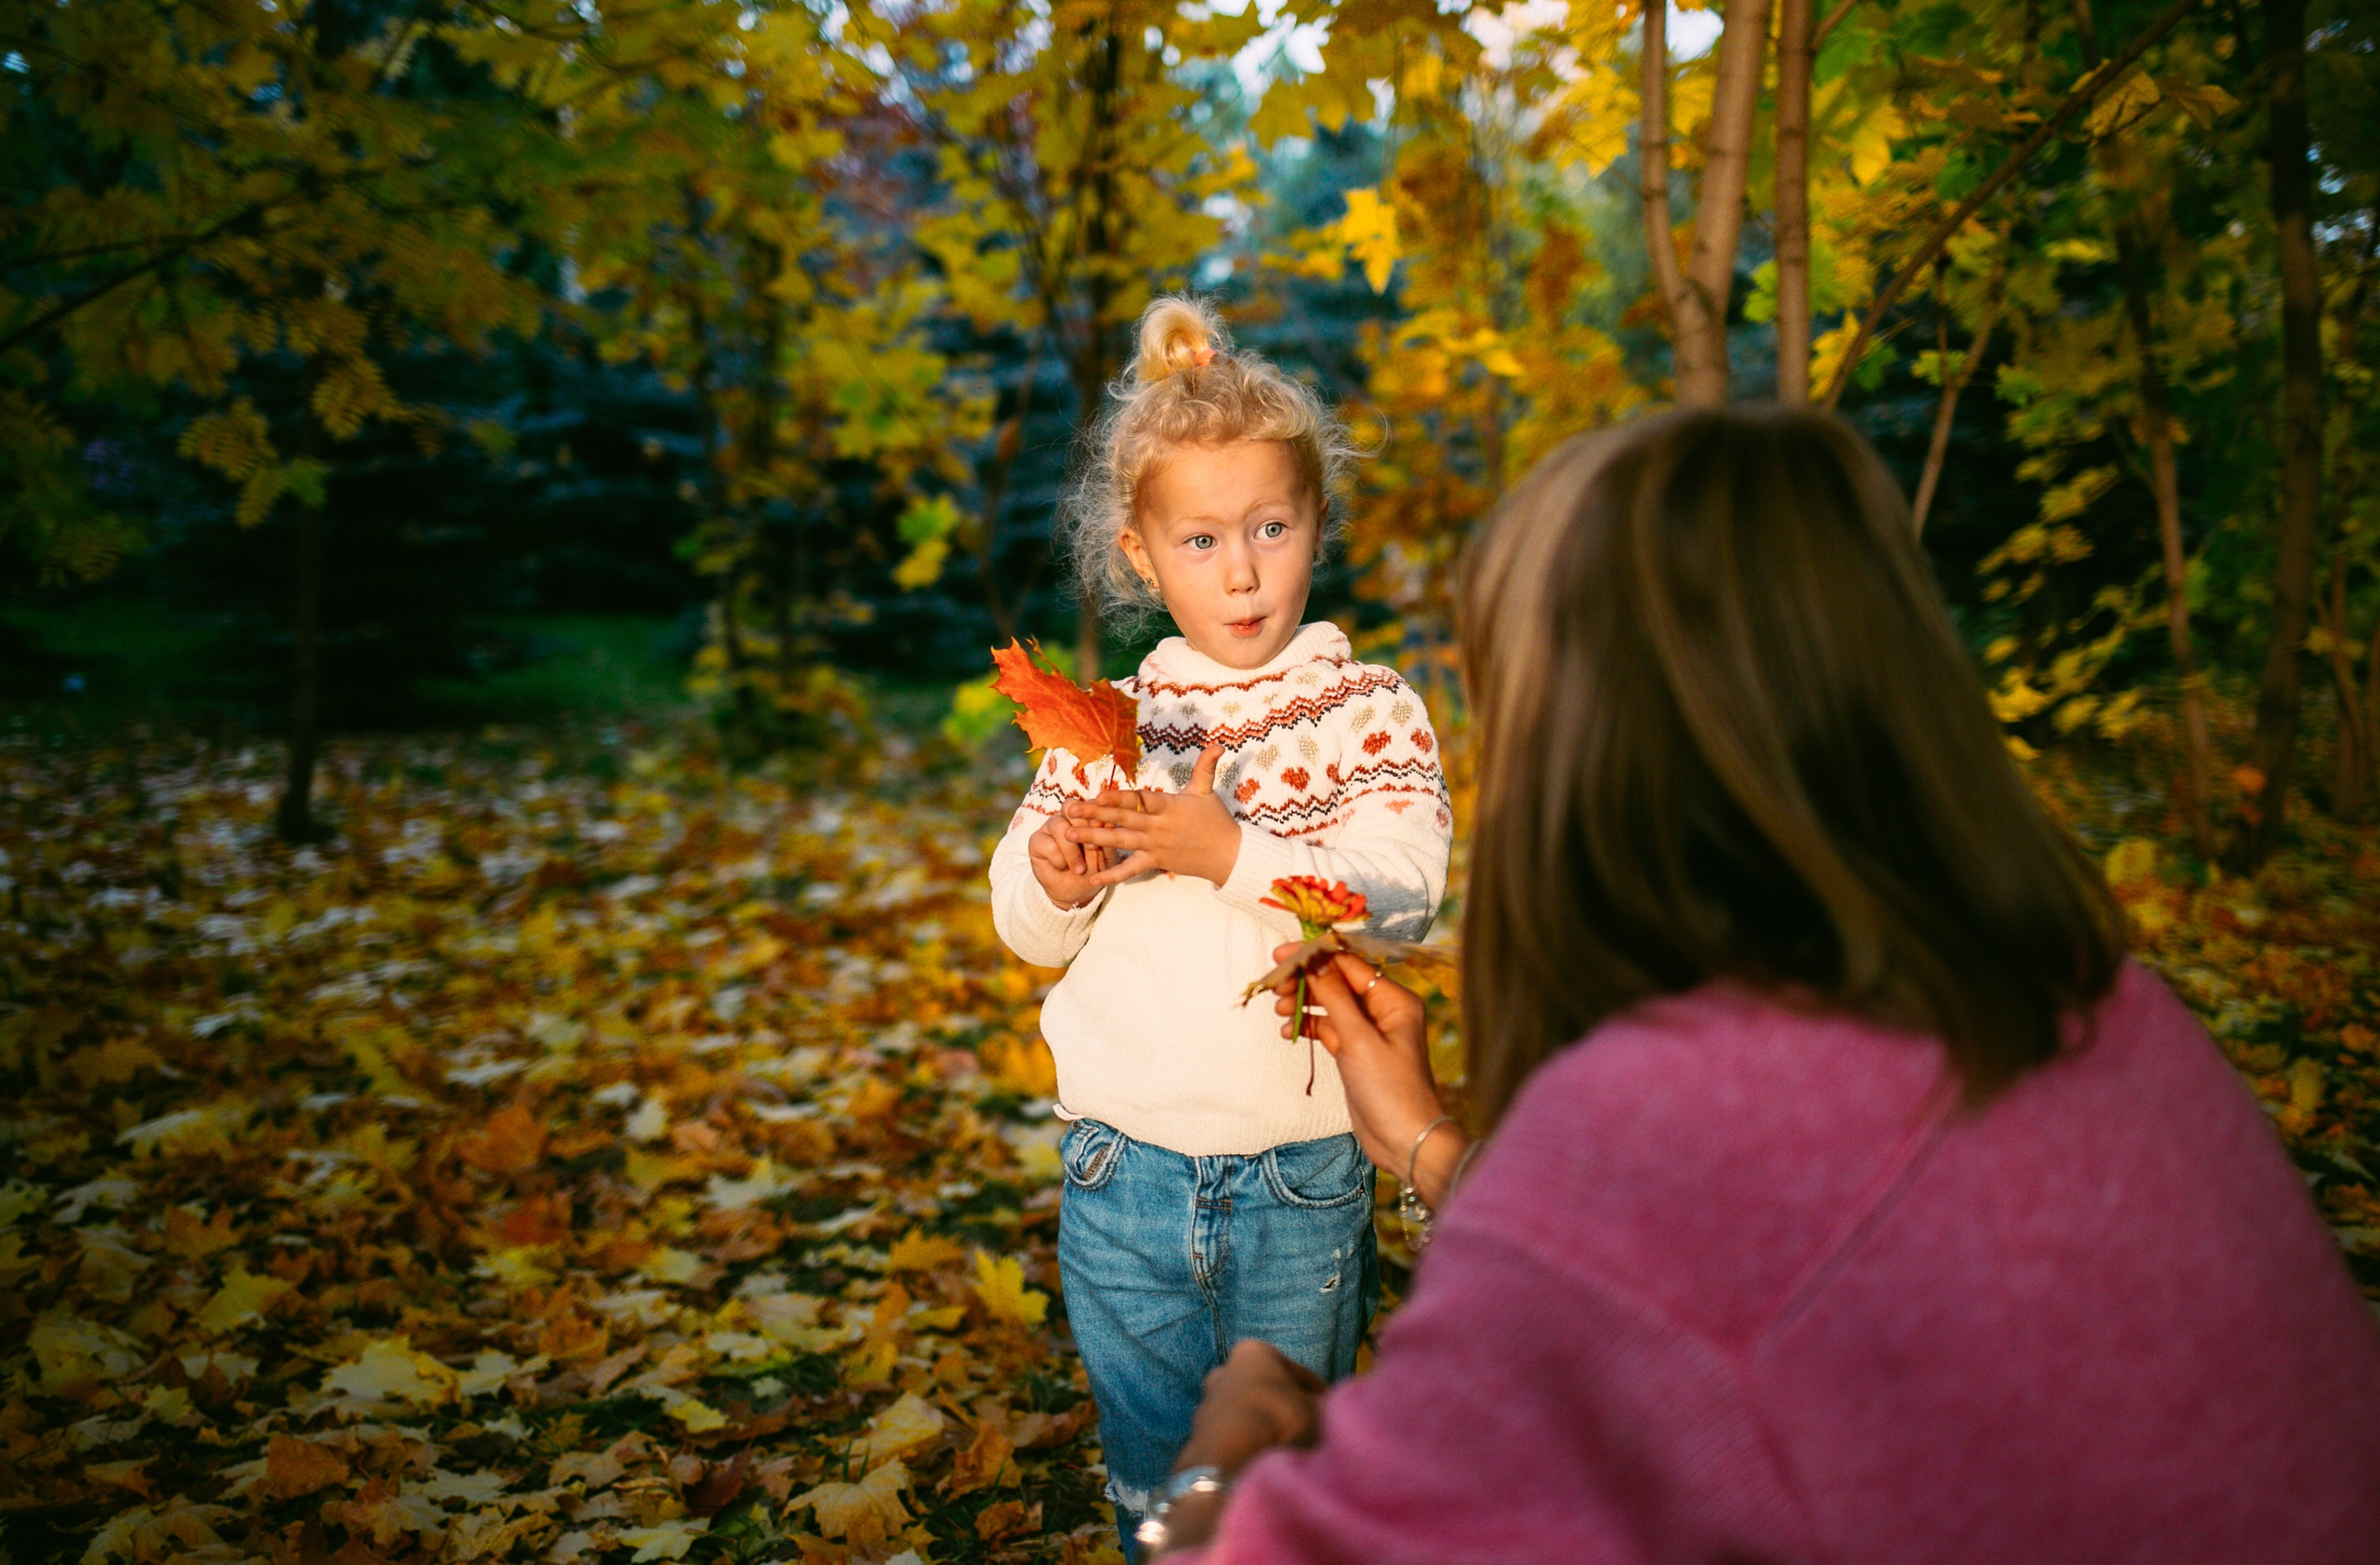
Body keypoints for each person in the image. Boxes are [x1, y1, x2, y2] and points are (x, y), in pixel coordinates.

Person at [1130, 405, 2380, 1562]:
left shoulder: (1667, 1130)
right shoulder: (2112, 1012)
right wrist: (1435, 1148)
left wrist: (1221, 1461)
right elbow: (1772, 1272)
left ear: (1582, 750)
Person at [985, 296, 1454, 1553]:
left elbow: (1405, 888)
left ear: (1314, 526)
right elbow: (1029, 933)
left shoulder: (1364, 708)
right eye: (1200, 540)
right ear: (1142, 553)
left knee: (1280, 1480)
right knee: (1156, 1489)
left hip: (1301, 1168)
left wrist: (1231, 852)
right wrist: (1057, 871)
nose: (1240, 570)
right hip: (1118, 1167)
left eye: (1269, 527)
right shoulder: (1107, 727)